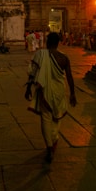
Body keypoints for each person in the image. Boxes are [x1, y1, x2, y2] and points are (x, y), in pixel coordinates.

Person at [25, 32, 77, 163]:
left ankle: (49, 147)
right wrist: (73, 94)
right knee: (57, 116)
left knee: (46, 118)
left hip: (45, 90)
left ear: (48, 42)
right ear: (58, 42)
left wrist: (28, 88)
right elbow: (70, 77)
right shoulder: (64, 58)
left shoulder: (40, 55)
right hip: (59, 91)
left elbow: (33, 72)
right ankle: (54, 138)